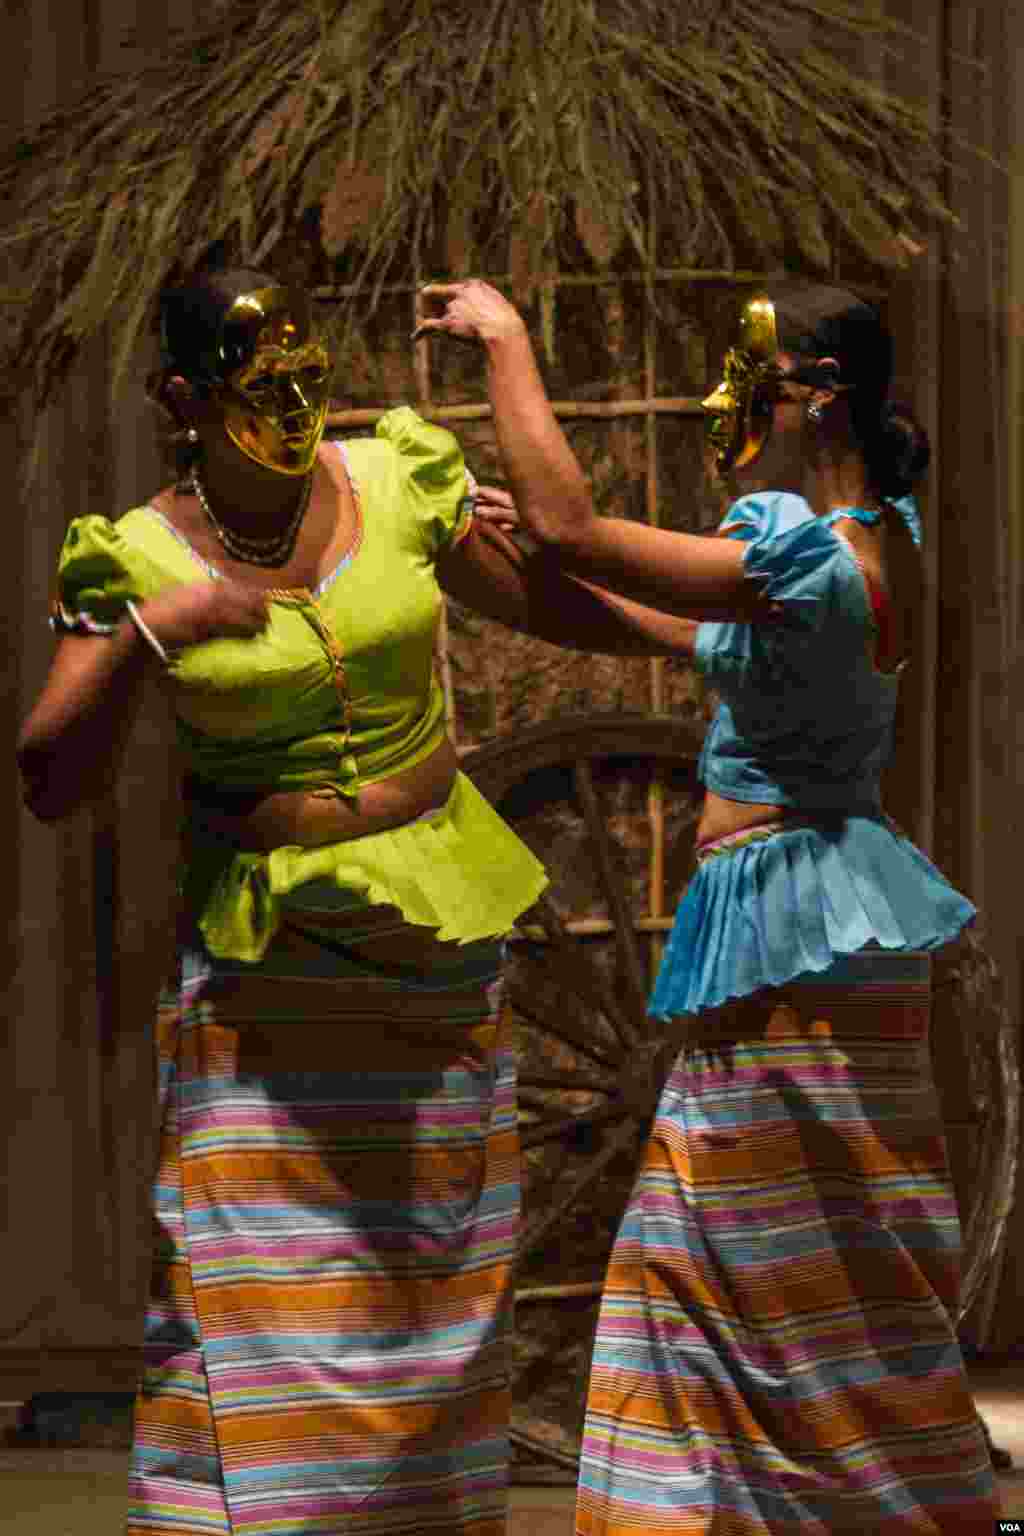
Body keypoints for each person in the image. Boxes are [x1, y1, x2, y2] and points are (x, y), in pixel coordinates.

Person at [15, 267, 701, 1536]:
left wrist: (685, 639)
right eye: (249, 378)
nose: (287, 396)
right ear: (180, 395)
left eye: (302, 371)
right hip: (275, 980)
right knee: (269, 1292)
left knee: (422, 1292)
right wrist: (151, 630)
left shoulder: (392, 476)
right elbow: (50, 774)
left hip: (433, 951)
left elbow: (538, 595)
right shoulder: (135, 553)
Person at [417, 279, 1000, 1533]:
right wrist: (482, 558)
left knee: (752, 1259)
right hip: (799, 931)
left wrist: (506, 344)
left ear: (815, 395)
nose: (724, 399)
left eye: (754, 374)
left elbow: (577, 532)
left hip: (801, 935)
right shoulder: (830, 549)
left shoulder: (822, 559)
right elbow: (636, 617)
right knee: (769, 1259)